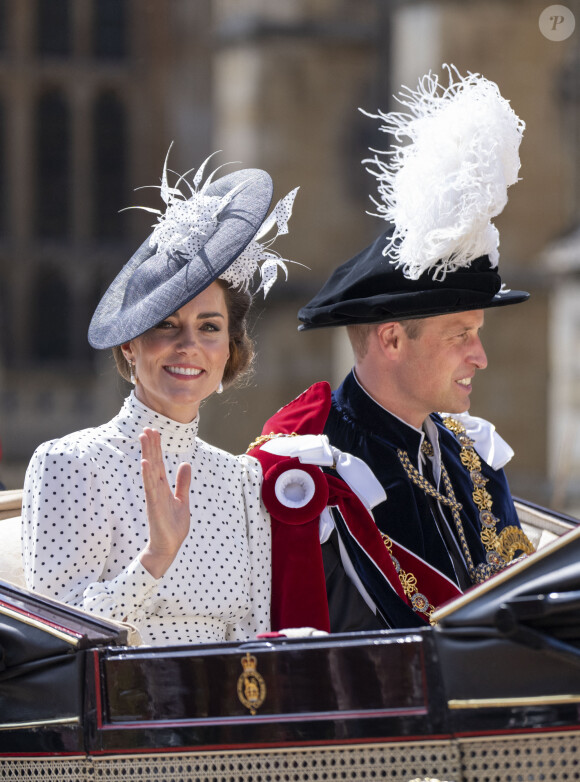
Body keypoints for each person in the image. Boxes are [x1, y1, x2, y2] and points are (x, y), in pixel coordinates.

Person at [251, 67, 536, 633]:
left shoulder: (468, 453)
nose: (479, 357)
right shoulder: (311, 467)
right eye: (461, 335)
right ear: (391, 339)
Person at [21, 148, 300, 645]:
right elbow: (52, 645)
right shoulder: (70, 462)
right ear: (130, 345)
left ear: (228, 348)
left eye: (208, 327)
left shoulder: (242, 480)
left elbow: (254, 638)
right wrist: (155, 559)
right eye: (166, 325)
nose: (188, 345)